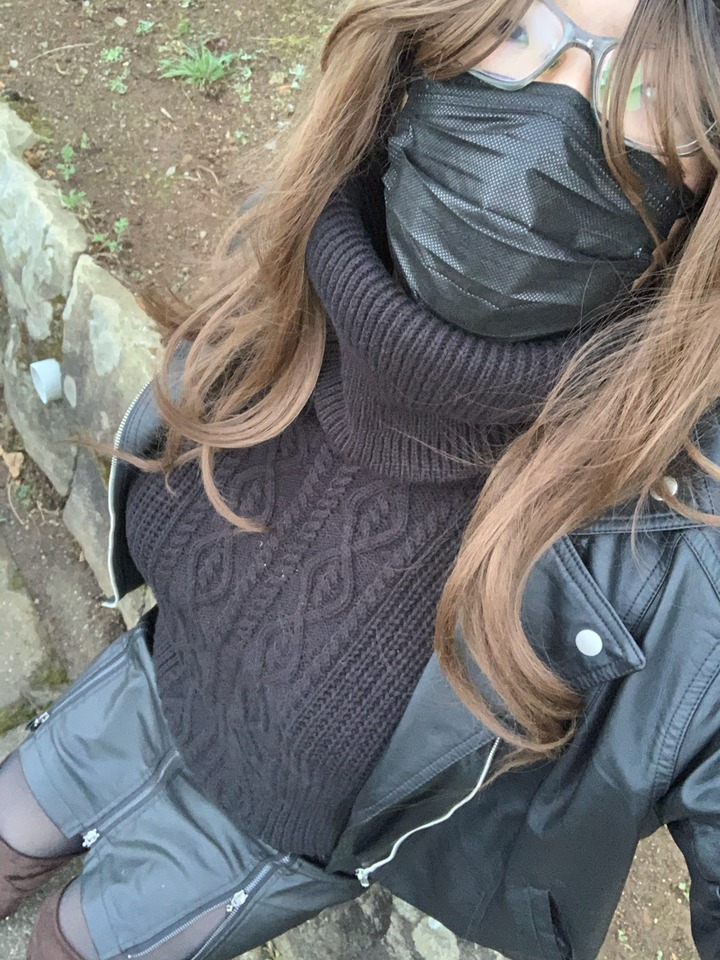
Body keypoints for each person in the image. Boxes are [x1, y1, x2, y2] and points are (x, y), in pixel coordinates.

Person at [1, 0, 719, 957]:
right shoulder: (314, 228)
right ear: (429, 39)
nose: (555, 110)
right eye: (522, 30)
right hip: (144, 680)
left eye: (649, 90)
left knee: (67, 944)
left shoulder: (685, 546)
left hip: (263, 846)